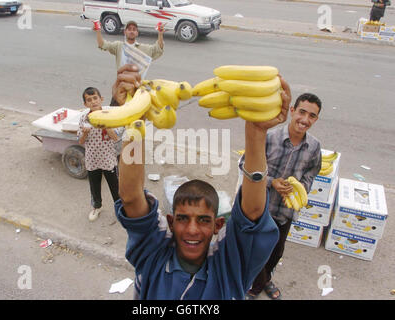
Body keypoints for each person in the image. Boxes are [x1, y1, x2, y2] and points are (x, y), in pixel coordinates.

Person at [110, 64, 293, 299]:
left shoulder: (231, 267)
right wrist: (132, 120)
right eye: (183, 218)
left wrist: (256, 133)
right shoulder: (153, 254)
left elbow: (254, 212)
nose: (192, 230)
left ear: (218, 225)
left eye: (204, 220)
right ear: (170, 221)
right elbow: (131, 197)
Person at [245, 93, 322, 300]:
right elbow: (244, 164)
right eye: (302, 112)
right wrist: (271, 182)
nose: (305, 120)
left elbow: (312, 172)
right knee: (256, 251)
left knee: (276, 253)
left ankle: (265, 279)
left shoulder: (314, 147)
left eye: (312, 116)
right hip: (260, 208)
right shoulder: (269, 138)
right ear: (292, 111)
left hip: (286, 211)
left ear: (316, 119)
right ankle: (256, 286)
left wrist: (299, 188)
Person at [77, 87, 122, 222]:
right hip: (92, 158)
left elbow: (116, 138)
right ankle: (97, 206)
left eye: (95, 98)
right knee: (94, 185)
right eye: (89, 100)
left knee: (115, 186)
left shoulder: (110, 116)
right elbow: (80, 141)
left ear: (101, 99)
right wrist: (85, 132)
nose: (93, 102)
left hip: (108, 158)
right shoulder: (84, 118)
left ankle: (119, 209)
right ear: (85, 104)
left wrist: (106, 126)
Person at [95, 20, 165, 69]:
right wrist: (98, 31)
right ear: (125, 32)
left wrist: (160, 34)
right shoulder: (118, 46)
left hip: (137, 85)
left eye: (134, 29)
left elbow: (158, 49)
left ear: (137, 33)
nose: (132, 31)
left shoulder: (143, 48)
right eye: (129, 29)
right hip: (122, 83)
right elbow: (102, 44)